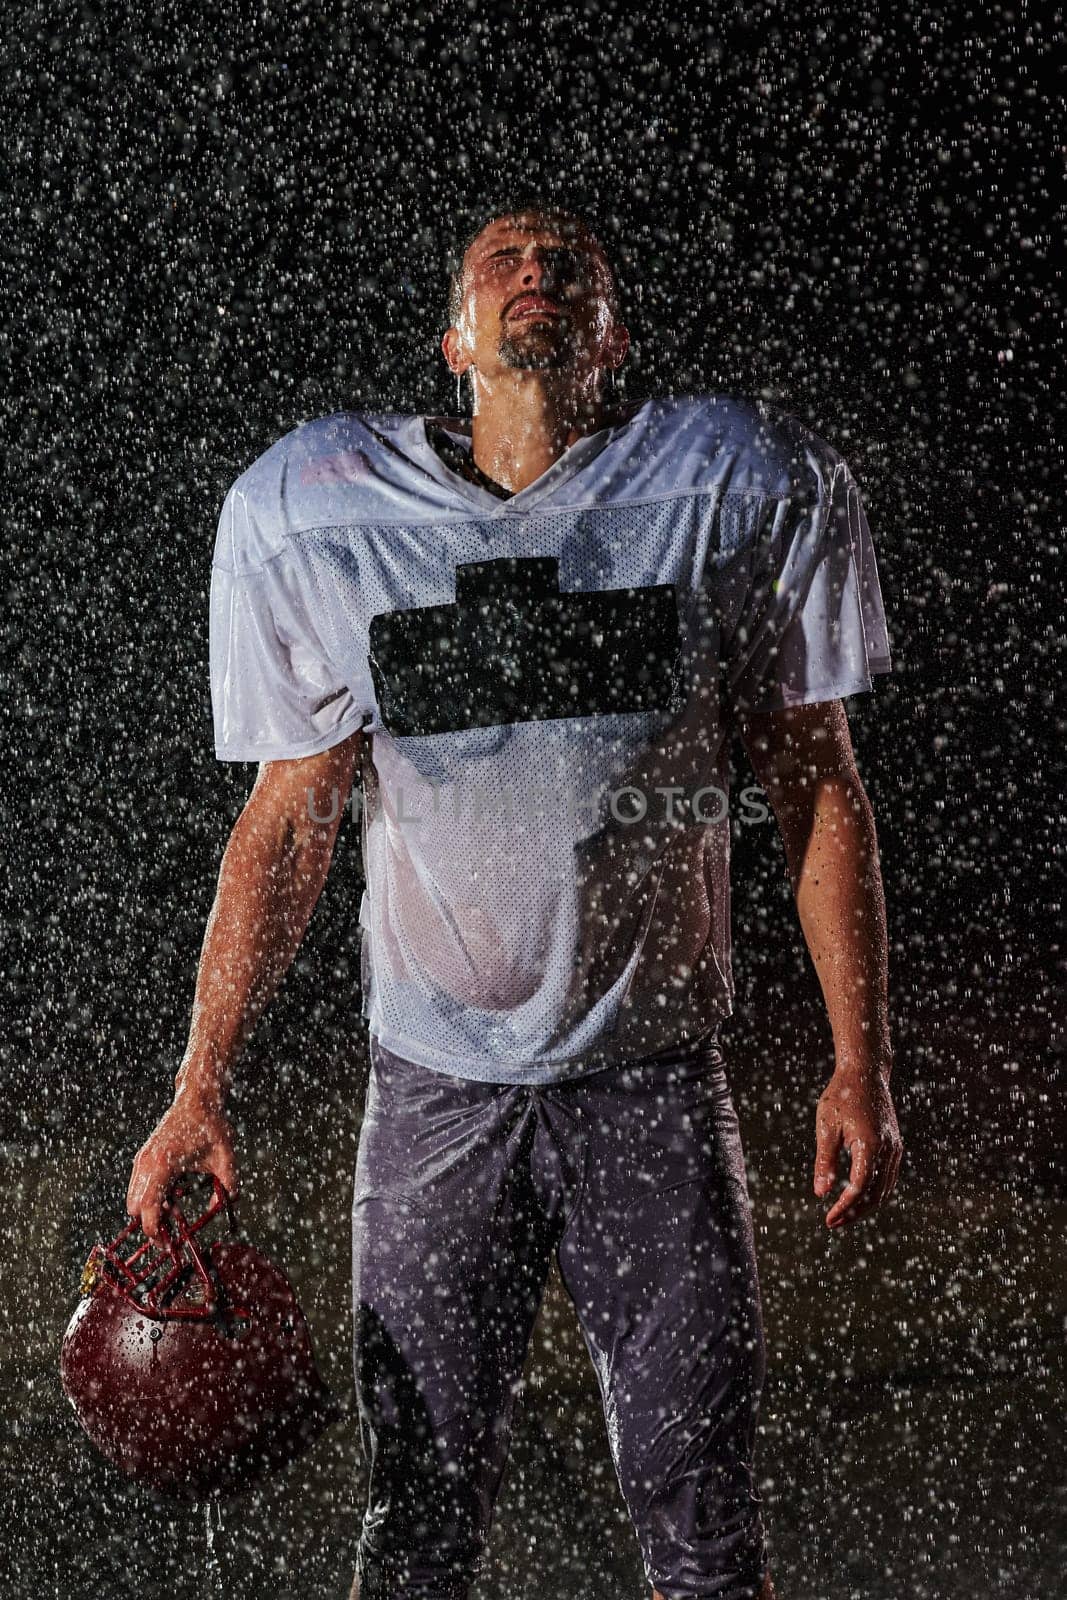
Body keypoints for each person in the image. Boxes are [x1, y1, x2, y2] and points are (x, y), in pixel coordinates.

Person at [126, 203, 903, 1600]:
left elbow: (818, 790)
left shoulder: (734, 484)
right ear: (453, 338)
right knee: (414, 1528)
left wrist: (861, 1061)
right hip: (437, 1094)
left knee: (706, 1534)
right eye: (503, 263)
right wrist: (200, 1083)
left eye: (572, 269)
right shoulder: (324, 510)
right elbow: (290, 817)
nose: (535, 274)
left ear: (615, 337)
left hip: (654, 1087)